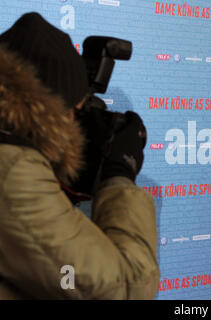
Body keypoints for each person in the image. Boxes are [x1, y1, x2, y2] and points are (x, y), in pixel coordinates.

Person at [0, 12, 159, 299]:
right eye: (76, 111)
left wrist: (59, 180)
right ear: (50, 112)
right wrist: (118, 175)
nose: (77, 128)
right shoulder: (13, 172)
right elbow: (128, 286)